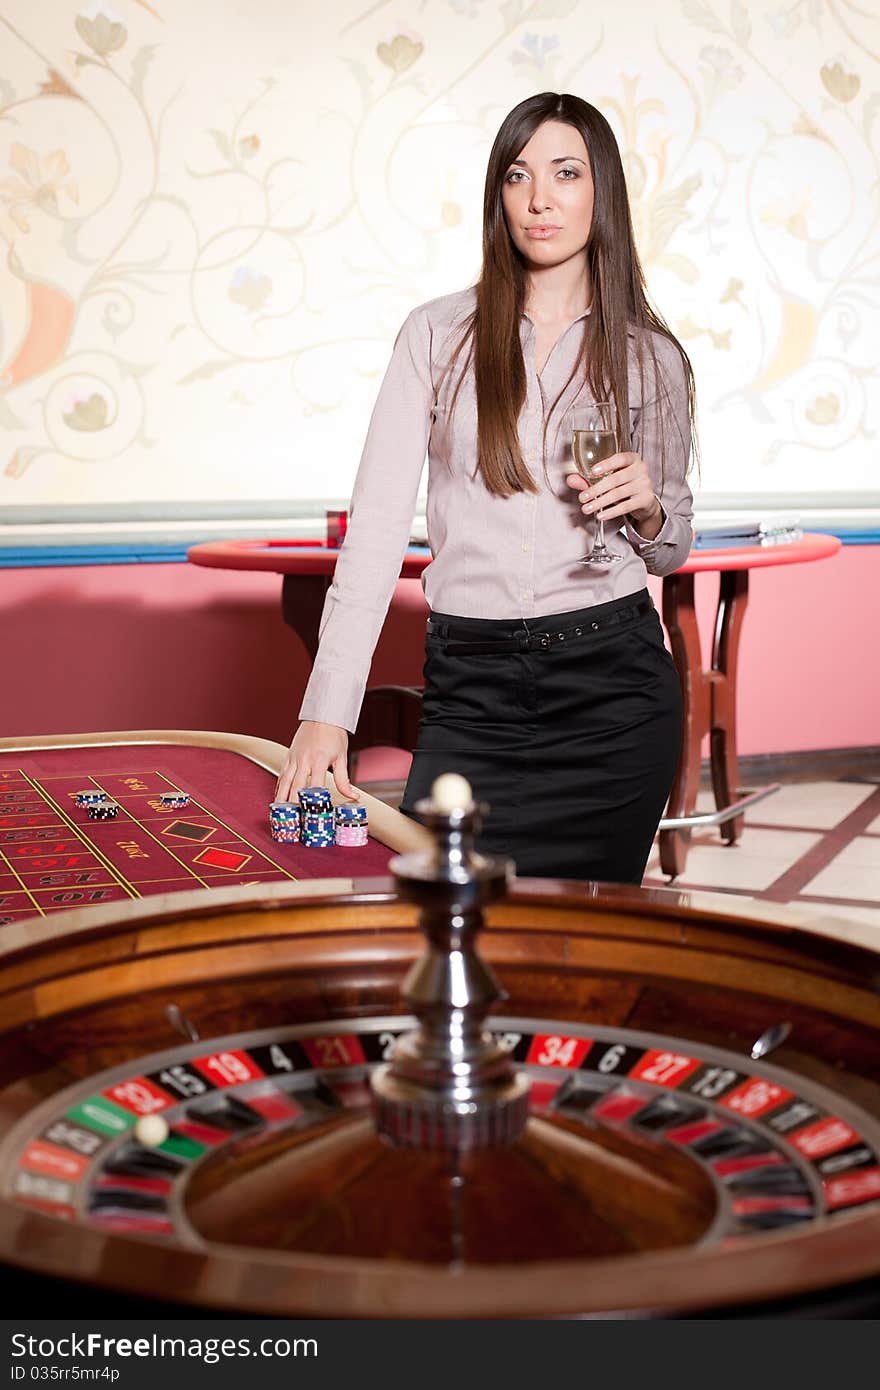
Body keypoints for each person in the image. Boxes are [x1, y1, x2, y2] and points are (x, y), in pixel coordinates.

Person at [276, 90, 697, 884]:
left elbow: (672, 547)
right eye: (517, 175)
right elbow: (371, 536)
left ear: (600, 191)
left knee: (576, 956)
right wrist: (327, 713)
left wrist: (647, 506)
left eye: (566, 173)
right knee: (446, 939)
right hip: (472, 693)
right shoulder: (435, 337)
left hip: (614, 693)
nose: (540, 198)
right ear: (497, 196)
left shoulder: (653, 359)